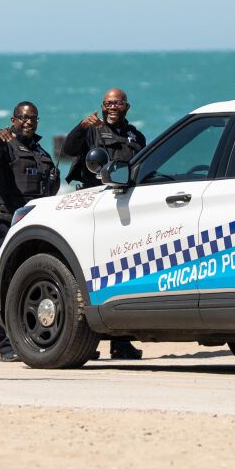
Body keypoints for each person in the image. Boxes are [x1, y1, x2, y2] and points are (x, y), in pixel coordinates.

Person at [62, 87, 146, 360]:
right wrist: (81, 125)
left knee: (123, 272)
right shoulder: (92, 131)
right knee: (91, 274)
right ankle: (90, 343)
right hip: (95, 207)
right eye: (108, 103)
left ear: (126, 106)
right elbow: (68, 150)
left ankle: (121, 343)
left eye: (117, 103)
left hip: (126, 208)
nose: (112, 107)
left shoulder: (136, 135)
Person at [0, 101, 59, 362]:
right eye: (23, 118)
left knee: (29, 282)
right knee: (6, 284)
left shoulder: (40, 151)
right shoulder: (5, 146)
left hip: (35, 226)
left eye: (33, 118)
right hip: (6, 224)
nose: (28, 122)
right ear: (13, 120)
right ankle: (5, 345)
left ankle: (30, 339)